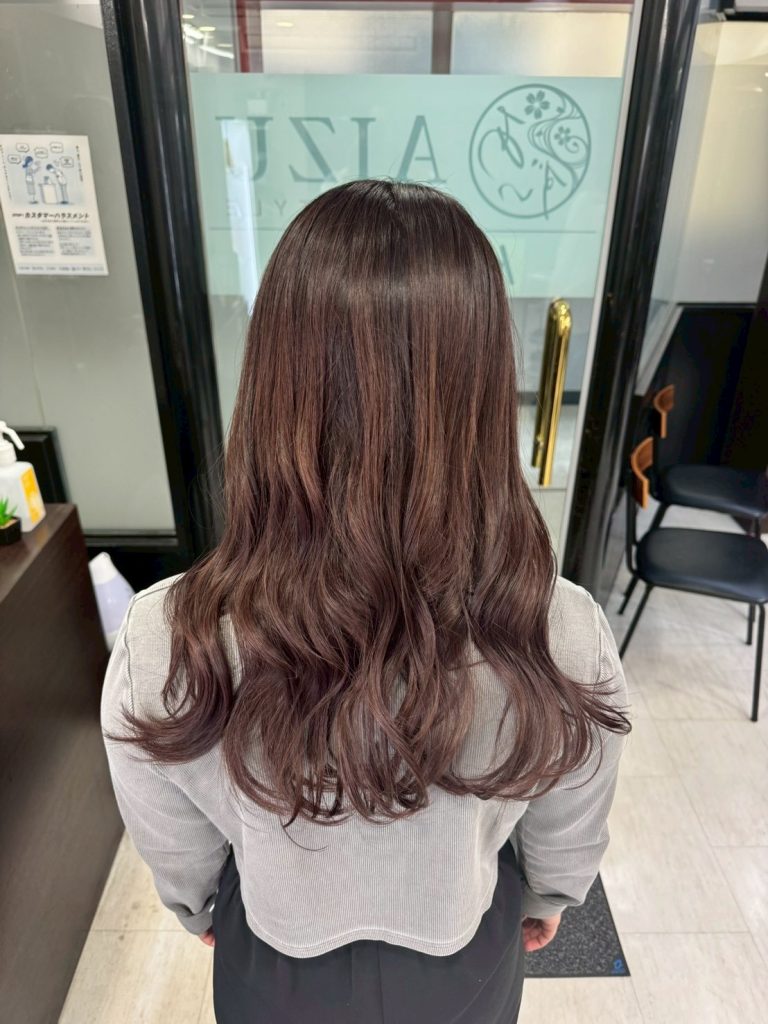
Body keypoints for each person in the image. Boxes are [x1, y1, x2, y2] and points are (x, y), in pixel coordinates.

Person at [101, 179, 631, 1023]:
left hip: (273, 957)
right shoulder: (558, 627)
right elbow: (573, 805)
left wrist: (199, 905)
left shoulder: (169, 632)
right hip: (465, 948)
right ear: (484, 387)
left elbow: (167, 824)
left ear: (273, 381)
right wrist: (549, 895)